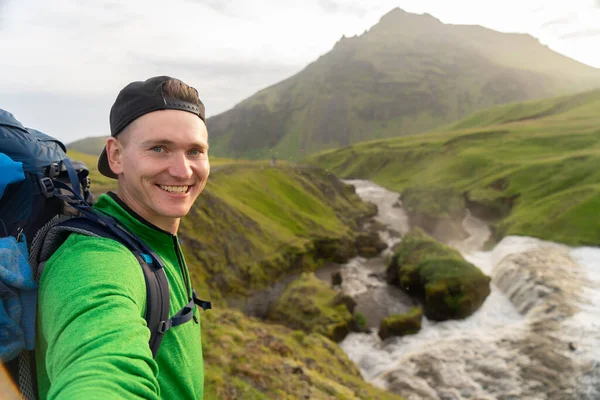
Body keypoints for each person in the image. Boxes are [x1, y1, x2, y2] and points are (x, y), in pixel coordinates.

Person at [35, 76, 210, 399]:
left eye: (195, 151)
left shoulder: (150, 236)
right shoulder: (93, 261)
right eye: (159, 148)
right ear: (115, 156)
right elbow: (101, 370)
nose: (183, 171)